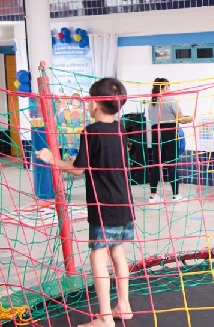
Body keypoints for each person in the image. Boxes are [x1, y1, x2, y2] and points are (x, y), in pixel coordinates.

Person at [36, 77, 134, 327]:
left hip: (103, 205)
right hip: (124, 203)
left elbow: (79, 170)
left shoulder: (90, 132)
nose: (88, 104)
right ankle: (123, 306)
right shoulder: (121, 129)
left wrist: (52, 159)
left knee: (97, 256)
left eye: (90, 100)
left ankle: (105, 317)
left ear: (96, 104)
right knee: (118, 252)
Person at [147, 78, 193, 203]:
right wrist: (191, 118)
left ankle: (153, 196)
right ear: (165, 87)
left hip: (156, 133)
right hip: (169, 133)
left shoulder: (152, 102)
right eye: (168, 87)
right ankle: (176, 195)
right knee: (172, 163)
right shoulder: (171, 99)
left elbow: (152, 119)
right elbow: (182, 119)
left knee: (156, 164)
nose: (169, 89)